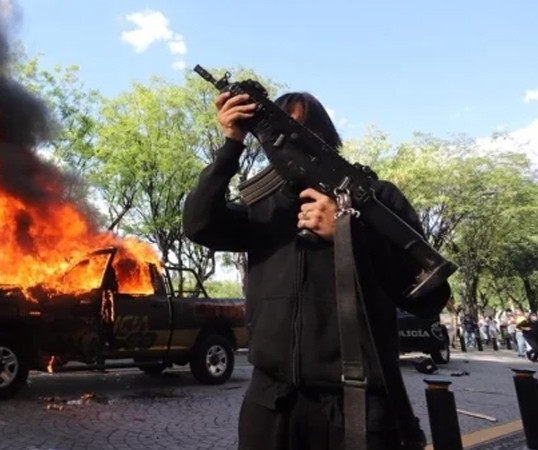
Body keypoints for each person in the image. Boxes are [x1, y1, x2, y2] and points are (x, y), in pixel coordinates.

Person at [182, 90, 451, 450]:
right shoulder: (266, 208)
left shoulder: (378, 200)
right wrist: (233, 142)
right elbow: (199, 224)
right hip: (271, 404)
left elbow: (430, 297)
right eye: (274, 129)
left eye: (300, 128)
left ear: (326, 137)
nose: (287, 140)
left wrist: (348, 232)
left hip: (358, 404)